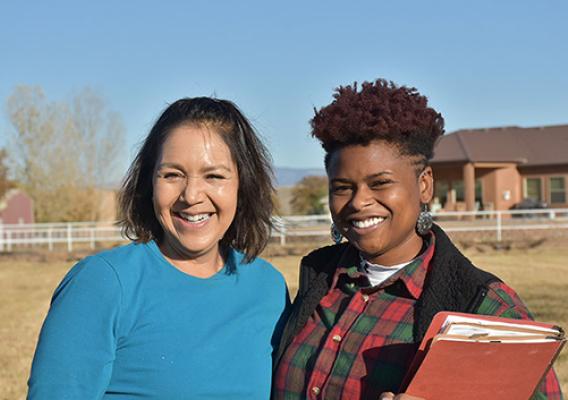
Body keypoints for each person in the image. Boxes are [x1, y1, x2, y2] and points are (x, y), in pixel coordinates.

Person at [272, 79, 563, 400]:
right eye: (342, 187)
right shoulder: (318, 283)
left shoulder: (484, 309)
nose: (358, 201)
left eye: (380, 183)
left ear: (424, 185)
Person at [28, 97, 289, 399]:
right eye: (172, 175)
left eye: (214, 176)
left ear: (243, 185)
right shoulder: (102, 283)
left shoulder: (268, 288)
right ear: (150, 182)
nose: (191, 195)